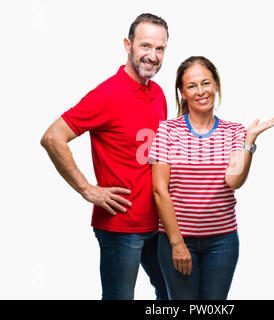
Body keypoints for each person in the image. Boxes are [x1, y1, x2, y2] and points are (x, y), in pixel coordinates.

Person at [40, 13, 169, 300]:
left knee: (173, 293)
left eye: (159, 49)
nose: (152, 55)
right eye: (145, 46)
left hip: (156, 222)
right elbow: (52, 137)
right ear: (128, 45)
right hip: (121, 227)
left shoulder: (158, 93)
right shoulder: (107, 95)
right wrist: (88, 190)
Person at [148, 56, 274, 300]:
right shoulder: (167, 131)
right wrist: (177, 244)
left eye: (206, 83)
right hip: (176, 240)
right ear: (182, 92)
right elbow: (159, 191)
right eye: (192, 86)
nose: (201, 91)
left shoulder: (235, 131)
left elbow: (234, 182)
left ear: (216, 85)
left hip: (222, 243)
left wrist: (249, 143)